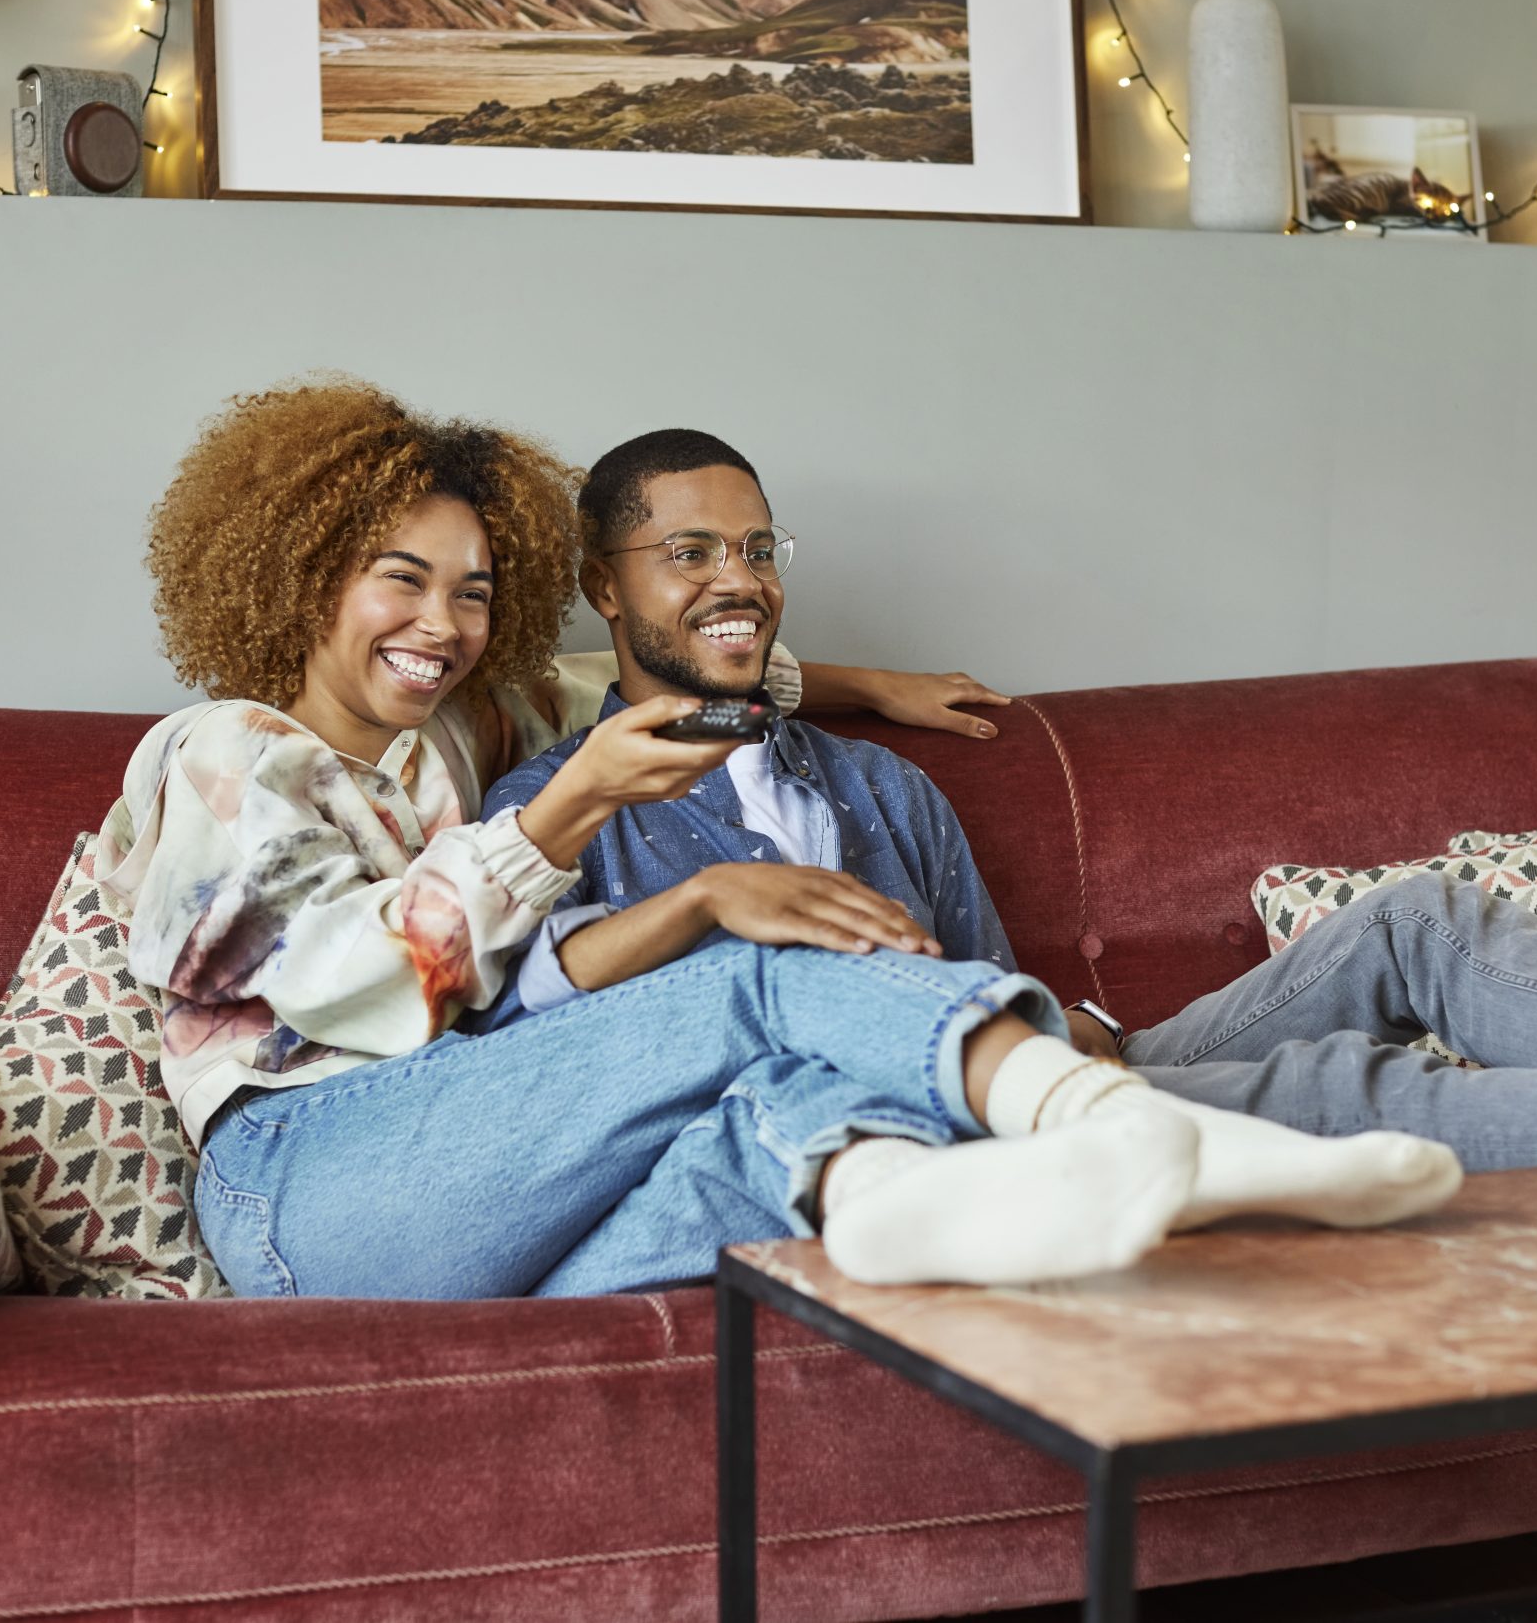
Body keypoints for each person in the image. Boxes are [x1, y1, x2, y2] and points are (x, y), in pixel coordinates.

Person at [478, 427, 1537, 1260]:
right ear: (604, 591)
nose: (738, 578)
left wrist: (1069, 1026)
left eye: (758, 547)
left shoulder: (876, 782)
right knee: (1360, 1095)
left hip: (1058, 1043)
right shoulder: (564, 819)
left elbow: (994, 972)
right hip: (934, 1132)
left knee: (1425, 925)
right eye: (689, 552)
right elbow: (554, 1045)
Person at [93, 377, 1446, 1306]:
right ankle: (1136, 1125)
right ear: (300, 569)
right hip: (304, 1181)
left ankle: (935, 1204)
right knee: (742, 976)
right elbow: (351, 974)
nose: (439, 625)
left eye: (473, 593)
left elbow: (670, 678)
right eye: (401, 579)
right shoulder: (222, 755)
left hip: (486, 1191)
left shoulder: (460, 733)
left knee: (769, 1124)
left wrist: (869, 689)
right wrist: (571, 817)